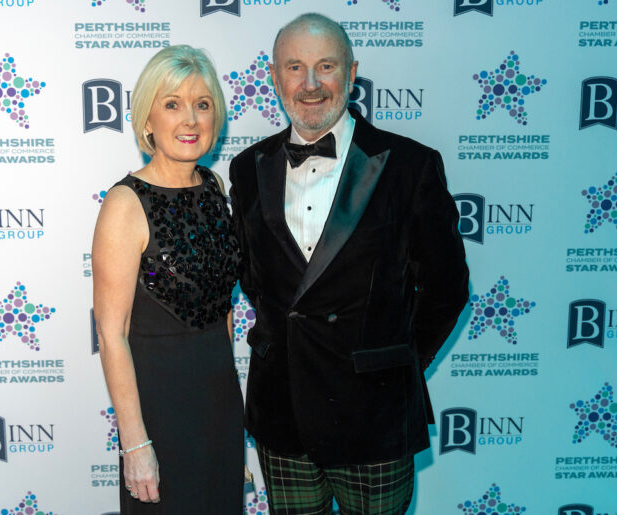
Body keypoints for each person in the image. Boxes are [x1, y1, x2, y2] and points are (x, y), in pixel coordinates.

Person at [229, 13, 469, 514]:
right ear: (275, 77)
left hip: (374, 416)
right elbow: (255, 279)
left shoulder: (411, 165)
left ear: (352, 71)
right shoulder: (247, 169)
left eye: (326, 66)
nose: (311, 84)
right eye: (295, 67)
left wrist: (392, 366)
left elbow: (446, 289)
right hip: (282, 415)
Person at [92, 45, 243, 513]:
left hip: (220, 403)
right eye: (173, 104)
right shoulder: (125, 204)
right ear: (147, 120)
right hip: (160, 410)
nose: (191, 120)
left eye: (203, 105)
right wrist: (135, 443)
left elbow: (223, 309)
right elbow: (111, 334)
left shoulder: (214, 189)